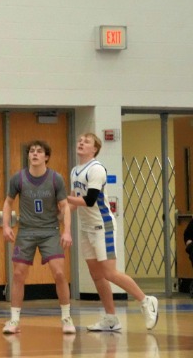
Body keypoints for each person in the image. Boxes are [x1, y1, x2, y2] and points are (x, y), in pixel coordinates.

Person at [67, 132, 159, 331]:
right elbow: (74, 201)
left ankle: (146, 300)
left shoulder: (96, 169)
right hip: (85, 227)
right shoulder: (75, 170)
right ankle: (111, 318)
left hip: (103, 226)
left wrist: (63, 198)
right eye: (80, 140)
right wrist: (60, 214)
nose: (81, 143)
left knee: (109, 272)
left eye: (86, 141)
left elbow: (89, 200)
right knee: (96, 274)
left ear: (95, 149)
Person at [2, 140, 75, 334]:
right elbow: (8, 203)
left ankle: (66, 317)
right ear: (28, 155)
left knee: (59, 273)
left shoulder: (55, 179)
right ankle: (14, 320)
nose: (34, 154)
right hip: (26, 231)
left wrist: (67, 231)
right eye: (32, 151)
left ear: (46, 157)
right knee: (18, 274)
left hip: (50, 230)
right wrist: (6, 226)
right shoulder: (18, 178)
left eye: (39, 151)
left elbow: (65, 206)